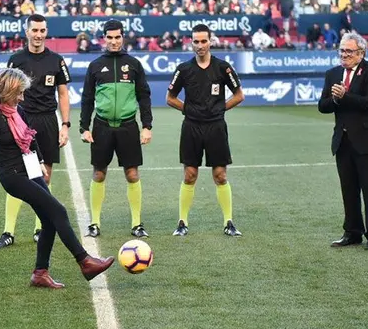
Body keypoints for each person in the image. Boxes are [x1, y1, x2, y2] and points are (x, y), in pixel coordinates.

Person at [0, 68, 114, 288]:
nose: (22, 97)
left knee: (49, 220)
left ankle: (40, 273)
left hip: (29, 170)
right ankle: (85, 261)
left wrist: (39, 161)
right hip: (12, 176)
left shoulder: (17, 111)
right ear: (7, 90)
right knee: (58, 210)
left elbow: (30, 137)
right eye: (19, 93)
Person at [0, 14, 72, 249]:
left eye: (42, 30)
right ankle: (8, 231)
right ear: (27, 32)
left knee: (44, 175)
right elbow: (2, 90)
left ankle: (40, 227)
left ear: (46, 32)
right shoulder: (16, 60)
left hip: (48, 121)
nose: (38, 35)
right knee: (17, 175)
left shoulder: (57, 60)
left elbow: (63, 94)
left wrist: (65, 125)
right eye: (34, 30)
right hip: (20, 120)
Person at [166, 24, 245, 238]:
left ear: (210, 41)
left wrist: (220, 108)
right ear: (191, 43)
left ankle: (228, 222)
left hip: (216, 127)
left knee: (220, 175)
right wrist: (189, 110)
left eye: (203, 41)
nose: (200, 45)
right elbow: (170, 98)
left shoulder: (223, 68)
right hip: (191, 127)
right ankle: (182, 222)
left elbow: (239, 95)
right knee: (190, 175)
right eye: (196, 41)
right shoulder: (184, 69)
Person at [319, 32, 368, 250]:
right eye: (341, 50)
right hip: (343, 141)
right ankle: (352, 232)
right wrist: (334, 98)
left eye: (349, 51)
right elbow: (322, 106)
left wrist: (345, 96)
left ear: (361, 53)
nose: (344, 54)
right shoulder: (332, 73)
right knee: (349, 190)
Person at [79, 19, 153, 238]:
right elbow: (87, 99)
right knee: (99, 173)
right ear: (104, 38)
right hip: (101, 126)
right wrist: (84, 127)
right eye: (109, 37)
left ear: (123, 37)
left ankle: (137, 224)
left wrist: (147, 126)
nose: (113, 41)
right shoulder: (94, 66)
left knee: (132, 174)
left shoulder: (134, 64)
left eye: (117, 37)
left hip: (128, 126)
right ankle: (94, 223)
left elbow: (144, 96)